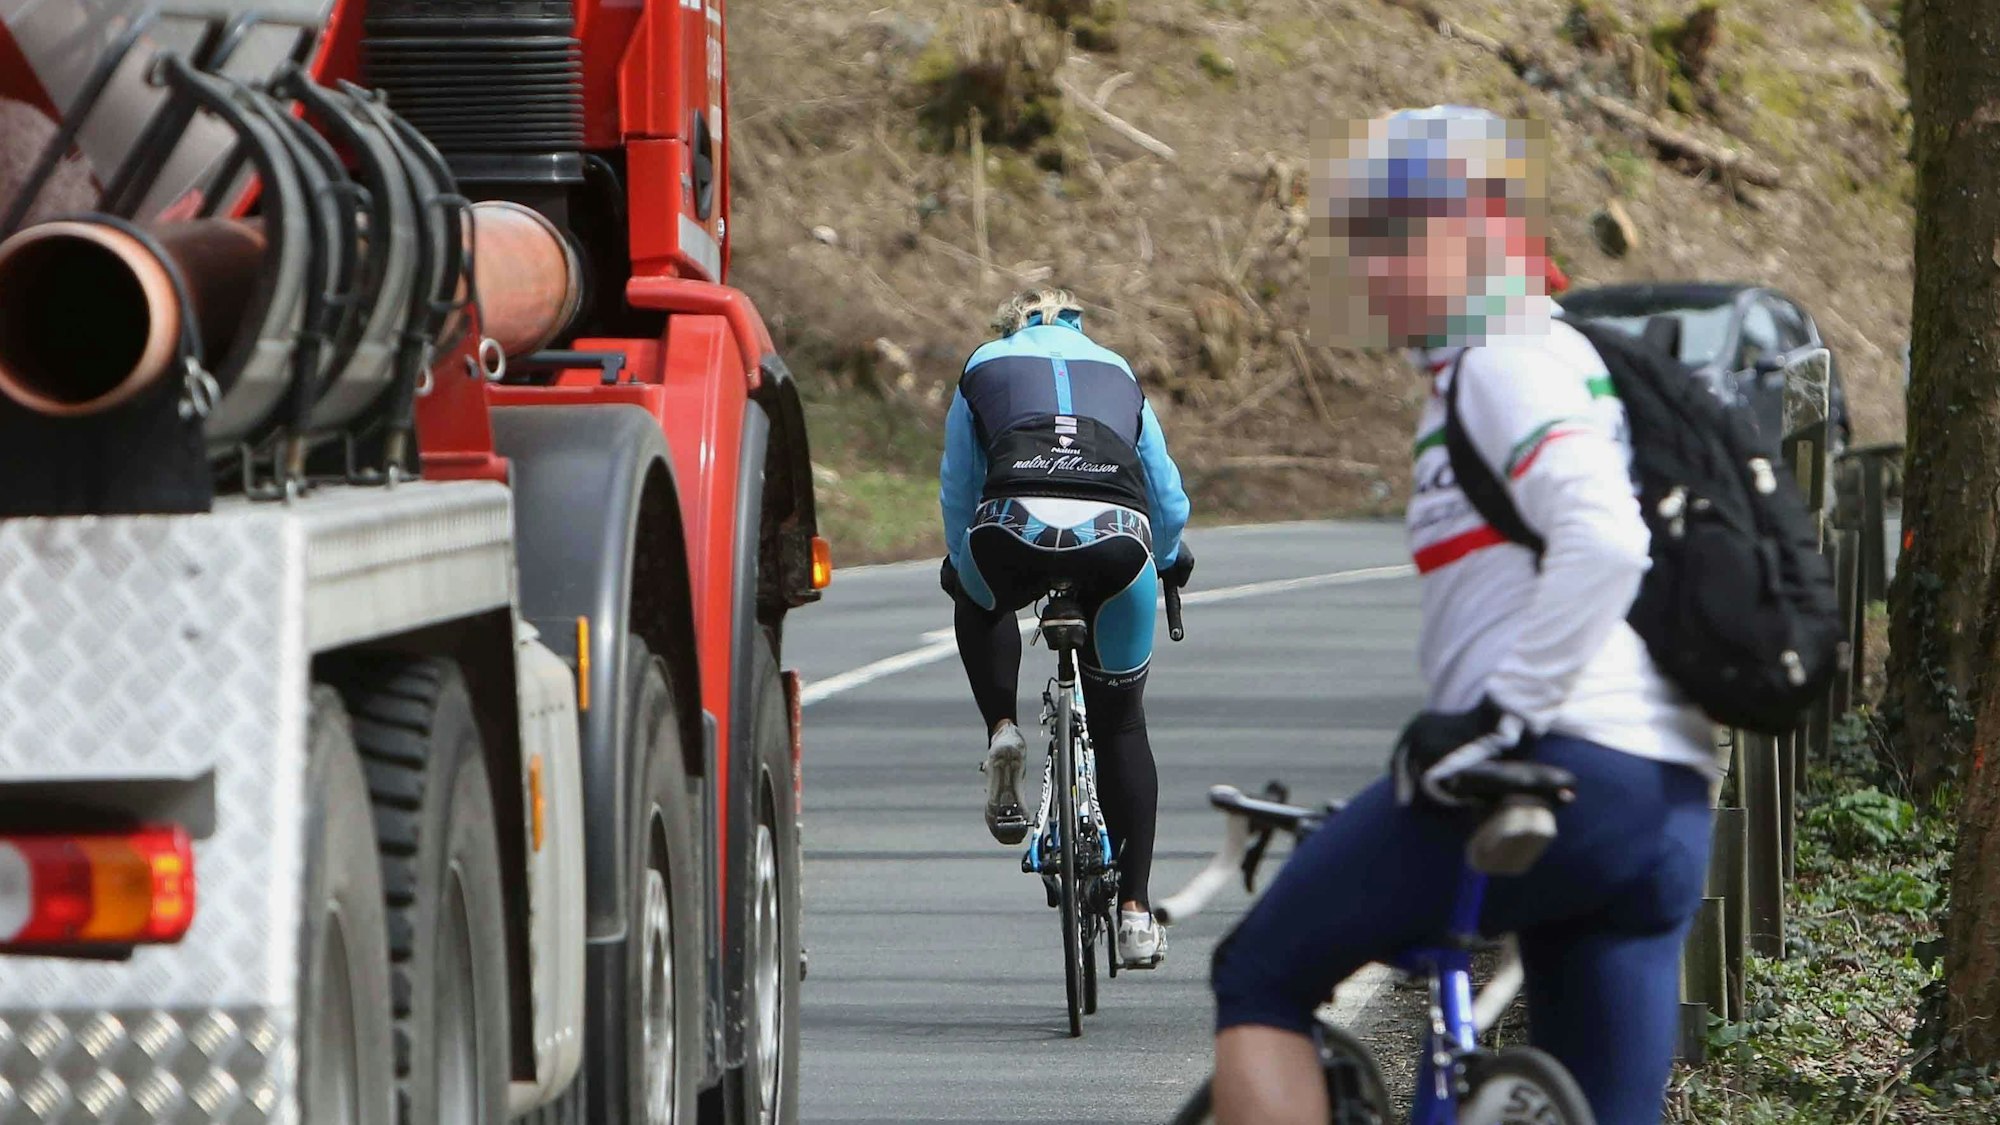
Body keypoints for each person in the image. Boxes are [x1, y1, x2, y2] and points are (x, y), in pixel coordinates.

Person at [1208, 106, 1717, 1124]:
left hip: (1550, 768)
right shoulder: (1575, 359)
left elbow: (1604, 538)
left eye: (1385, 240)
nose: (1368, 271)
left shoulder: (1502, 356)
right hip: (1661, 804)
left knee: (1259, 973)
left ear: (1464, 233)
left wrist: (1497, 714)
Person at [939, 286, 1194, 969]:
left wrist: (965, 568)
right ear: (1081, 324)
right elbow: (1165, 494)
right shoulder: (1118, 370)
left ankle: (1002, 727)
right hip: (1114, 534)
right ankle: (1137, 912)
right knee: (1123, 726)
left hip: (1011, 526)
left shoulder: (983, 365)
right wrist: (1169, 558)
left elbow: (959, 490)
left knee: (981, 590)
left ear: (1009, 323)